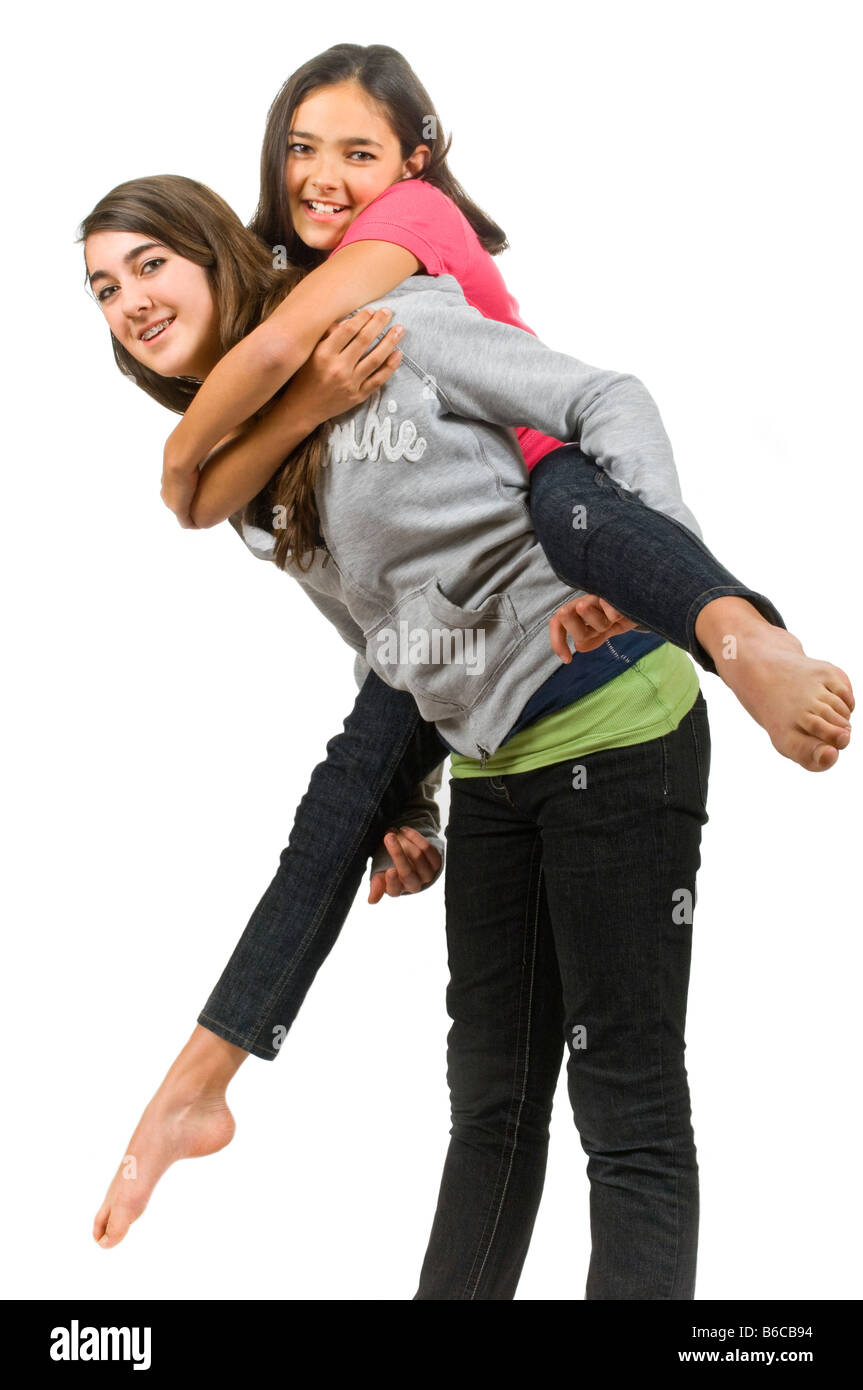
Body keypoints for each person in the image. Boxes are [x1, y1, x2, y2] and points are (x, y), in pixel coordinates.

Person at [81, 178, 852, 1296]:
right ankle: (206, 1083)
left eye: (149, 263)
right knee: (488, 1112)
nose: (130, 299)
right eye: (104, 287)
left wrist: (664, 582)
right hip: (488, 758)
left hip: (609, 709)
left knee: (622, 1107)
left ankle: (741, 636)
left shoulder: (372, 315)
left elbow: (604, 398)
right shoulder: (252, 487)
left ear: (211, 250)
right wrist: (413, 806)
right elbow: (383, 635)